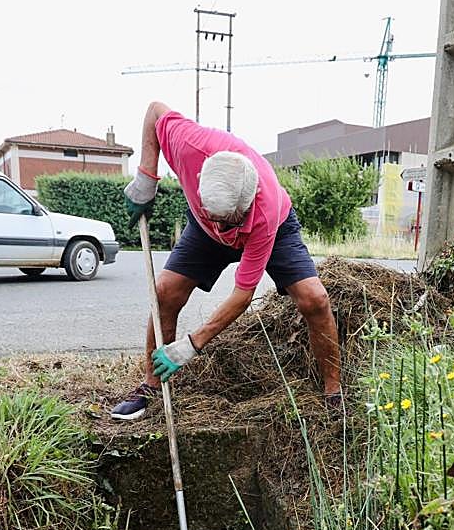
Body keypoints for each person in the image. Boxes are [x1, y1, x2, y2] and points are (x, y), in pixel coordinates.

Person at [110, 101, 343, 421]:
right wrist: (146, 177)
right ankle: (151, 384)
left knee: (314, 300)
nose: (223, 230)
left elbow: (242, 295)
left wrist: (191, 345)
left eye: (228, 222)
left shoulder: (265, 209)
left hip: (272, 229)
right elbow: (153, 111)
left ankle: (333, 390)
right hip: (202, 230)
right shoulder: (188, 145)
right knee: (165, 291)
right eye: (216, 218)